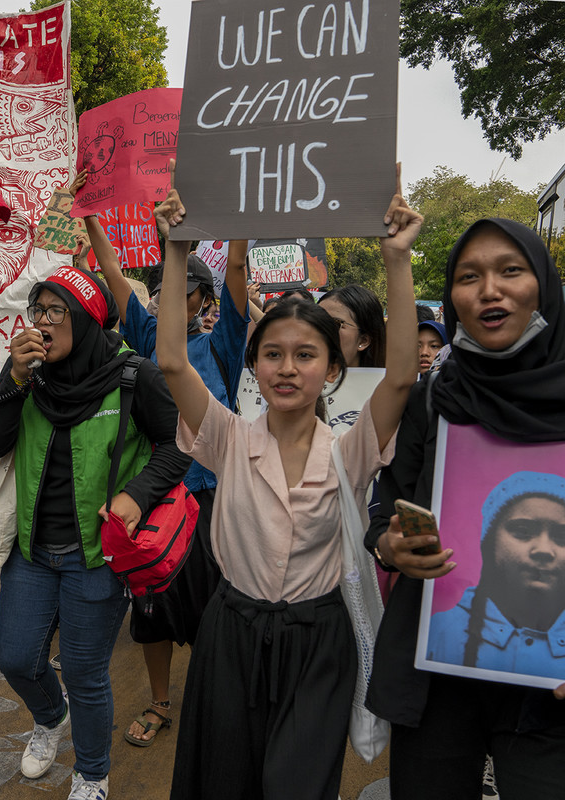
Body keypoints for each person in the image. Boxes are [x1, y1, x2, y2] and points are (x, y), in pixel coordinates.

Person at [156, 161, 421, 800]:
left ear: (332, 370)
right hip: (232, 633)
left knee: (296, 785)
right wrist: (175, 254)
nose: (286, 368)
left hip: (319, 642)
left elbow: (403, 378)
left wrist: (397, 261)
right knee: (226, 781)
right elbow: (170, 360)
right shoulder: (227, 435)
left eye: (306, 355)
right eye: (272, 353)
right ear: (254, 365)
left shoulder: (351, 450)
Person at [0, 264, 190, 800]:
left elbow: (180, 447)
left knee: (85, 672)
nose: (41, 324)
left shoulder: (135, 376)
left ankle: (92, 774)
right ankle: (50, 716)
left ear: (89, 319)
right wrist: (13, 381)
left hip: (96, 555)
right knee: (16, 657)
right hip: (31, 548)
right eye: (37, 311)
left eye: (55, 312)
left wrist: (136, 496)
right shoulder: (29, 375)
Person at [366, 218, 565, 800]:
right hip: (439, 673)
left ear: (544, 284)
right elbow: (384, 514)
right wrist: (391, 547)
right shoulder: (434, 399)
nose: (489, 291)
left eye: (510, 271)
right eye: (468, 277)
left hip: (549, 687)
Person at [73, 168, 250, 747]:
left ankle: (216, 699)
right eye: (159, 285)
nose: (162, 292)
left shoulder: (221, 345)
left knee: (217, 610)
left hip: (217, 500)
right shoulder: (148, 339)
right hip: (163, 497)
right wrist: (93, 214)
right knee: (151, 607)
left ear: (202, 296)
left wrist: (244, 217)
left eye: (180, 286)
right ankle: (160, 702)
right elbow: (113, 275)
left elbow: (239, 276)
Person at [427, 471, 565, 679]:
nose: (544, 550)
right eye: (523, 531)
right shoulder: (439, 632)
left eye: (562, 536)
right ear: (490, 543)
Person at [318, 285, 387, 368]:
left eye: (334, 324)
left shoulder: (386, 380)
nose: (320, 331)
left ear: (363, 341)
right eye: (316, 322)